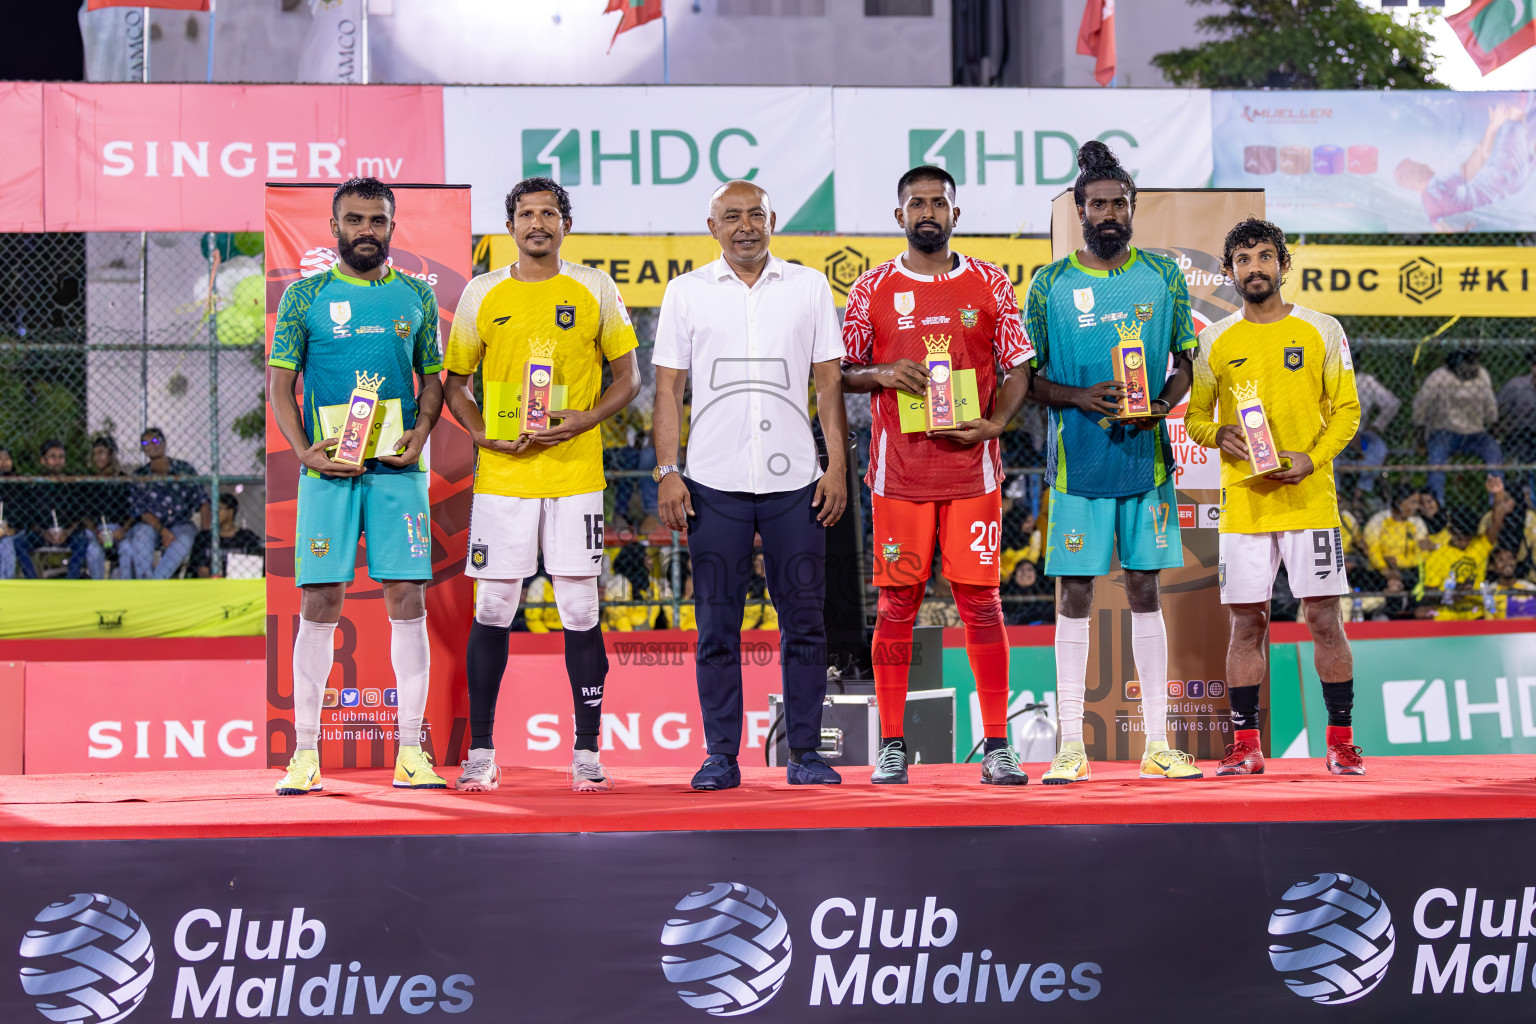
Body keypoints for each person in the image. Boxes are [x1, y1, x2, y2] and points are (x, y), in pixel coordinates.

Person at [444, 175, 639, 794]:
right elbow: (455, 384)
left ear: (565, 224)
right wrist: (480, 435)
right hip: (503, 477)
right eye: (526, 214)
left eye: (549, 213)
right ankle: (480, 751)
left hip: (576, 473)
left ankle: (586, 753)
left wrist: (586, 418)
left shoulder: (594, 288)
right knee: (493, 609)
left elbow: (628, 377)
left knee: (580, 609)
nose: (538, 224)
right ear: (510, 228)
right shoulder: (482, 293)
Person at [841, 164, 1033, 786]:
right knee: (897, 603)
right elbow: (842, 369)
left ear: (956, 214)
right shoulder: (869, 288)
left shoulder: (989, 282)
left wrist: (997, 423)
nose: (928, 212)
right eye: (916, 203)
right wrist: (883, 373)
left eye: (939, 203)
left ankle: (998, 743)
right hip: (898, 476)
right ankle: (892, 743)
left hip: (972, 474)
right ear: (899, 216)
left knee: (981, 602)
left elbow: (1020, 364)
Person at [655, 178, 847, 790]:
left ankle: (807, 753)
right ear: (712, 227)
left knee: (806, 623)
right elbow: (667, 390)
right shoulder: (685, 293)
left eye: (755, 215)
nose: (745, 226)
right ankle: (720, 755)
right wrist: (668, 472)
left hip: (797, 484)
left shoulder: (810, 287)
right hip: (712, 484)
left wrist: (836, 466)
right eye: (731, 216)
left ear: (773, 220)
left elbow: (827, 384)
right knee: (717, 626)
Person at [1025, 142, 1200, 786]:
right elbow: (1025, 380)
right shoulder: (1049, 284)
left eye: (1119, 203)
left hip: (1146, 464)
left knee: (1147, 590)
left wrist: (1163, 403)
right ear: (1079, 210)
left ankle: (1158, 741)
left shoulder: (1164, 276)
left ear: (1132, 209)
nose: (1109, 213)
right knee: (1074, 594)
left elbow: (1185, 363)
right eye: (1097, 203)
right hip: (1077, 467)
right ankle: (1071, 746)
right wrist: (1076, 397)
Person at [267, 177, 446, 795]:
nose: (365, 230)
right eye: (354, 220)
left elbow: (432, 381)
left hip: (398, 469)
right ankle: (305, 753)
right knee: (319, 601)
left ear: (392, 227)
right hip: (328, 473)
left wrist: (421, 431)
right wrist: (302, 450)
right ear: (334, 226)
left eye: (377, 220)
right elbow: (280, 386)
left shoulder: (418, 297)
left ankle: (410, 753)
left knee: (408, 598)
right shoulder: (304, 297)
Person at [1185, 217, 1365, 777]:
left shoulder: (1322, 330)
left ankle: (1340, 741)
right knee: (1247, 625)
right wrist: (1220, 434)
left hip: (1309, 499)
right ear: (1229, 271)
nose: (1254, 268)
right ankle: (1245, 745)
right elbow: (1194, 418)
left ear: (1283, 265)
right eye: (1243, 259)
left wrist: (1312, 458)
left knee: (1323, 619)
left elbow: (1348, 413)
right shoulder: (1214, 341)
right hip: (1244, 503)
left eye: (1265, 257)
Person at [1395, 99, 1535, 231]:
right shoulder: (1434, 187)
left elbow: (1447, 233)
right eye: (1418, 164)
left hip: (1509, 185)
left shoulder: (1431, 211)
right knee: (1516, 119)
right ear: (1413, 175)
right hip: (1501, 176)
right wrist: (1493, 126)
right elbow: (1479, 158)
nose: (1425, 163)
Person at [1413, 348, 1502, 504]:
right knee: (1436, 459)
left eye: (1473, 362)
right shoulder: (1439, 377)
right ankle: (1436, 505)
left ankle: (1496, 502)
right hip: (1445, 432)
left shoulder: (1481, 375)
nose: (1472, 367)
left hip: (1476, 433)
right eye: (1467, 362)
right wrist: (1421, 437)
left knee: (1493, 451)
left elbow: (1490, 405)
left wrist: (1494, 427)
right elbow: (1420, 405)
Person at [120, 428, 209, 579]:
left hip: (181, 523)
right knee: (142, 534)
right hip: (153, 525)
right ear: (143, 449)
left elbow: (203, 502)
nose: (151, 445)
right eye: (145, 443)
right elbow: (142, 512)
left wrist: (207, 535)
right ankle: (145, 577)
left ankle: (154, 583)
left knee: (185, 540)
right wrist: (163, 531)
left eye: (155, 440)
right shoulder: (140, 475)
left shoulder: (183, 469)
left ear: (164, 443)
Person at [1416, 482, 1512, 620]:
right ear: (1451, 531)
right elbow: (1430, 593)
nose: (1465, 542)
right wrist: (1455, 593)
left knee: (1497, 605)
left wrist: (1498, 493)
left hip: (1476, 607)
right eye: (1461, 538)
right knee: (1421, 612)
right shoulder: (1437, 555)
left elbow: (1497, 522)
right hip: (1450, 609)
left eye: (1468, 538)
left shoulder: (1479, 545)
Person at [13, 440, 96, 579]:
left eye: (61, 457)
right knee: (19, 543)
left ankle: (71, 580)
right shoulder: (35, 486)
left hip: (67, 533)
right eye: (52, 457)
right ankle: (33, 582)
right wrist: (43, 532)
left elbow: (79, 514)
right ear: (43, 460)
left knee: (82, 541)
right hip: (42, 533)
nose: (57, 461)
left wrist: (67, 532)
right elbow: (29, 517)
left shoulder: (71, 484)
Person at [1335, 356, 1399, 504]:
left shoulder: (1365, 381)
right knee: (1326, 451)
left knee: (1379, 448)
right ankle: (1337, 495)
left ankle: (1360, 492)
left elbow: (1392, 403)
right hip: (1334, 435)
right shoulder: (1327, 377)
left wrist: (1378, 425)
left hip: (1361, 437)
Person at [190, 493, 265, 577]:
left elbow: (254, 566)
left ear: (230, 512)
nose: (214, 512)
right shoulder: (203, 538)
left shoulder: (247, 538)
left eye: (218, 508)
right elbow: (200, 568)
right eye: (212, 509)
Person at [1497, 348, 1536, 505]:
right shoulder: (1516, 387)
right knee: (1521, 459)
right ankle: (1523, 496)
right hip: (1518, 435)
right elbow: (1498, 412)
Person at [1489, 547, 1536, 618]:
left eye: (1510, 558)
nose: (1507, 563)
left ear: (1515, 562)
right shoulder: (1490, 591)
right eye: (1500, 560)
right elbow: (1490, 616)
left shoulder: (1529, 587)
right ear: (1493, 566)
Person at [0, 446, 16, 579]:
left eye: (7, 458)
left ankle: (5, 583)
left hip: (10, 530)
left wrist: (9, 528)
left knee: (6, 545)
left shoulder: (17, 484)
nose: (4, 462)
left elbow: (23, 512)